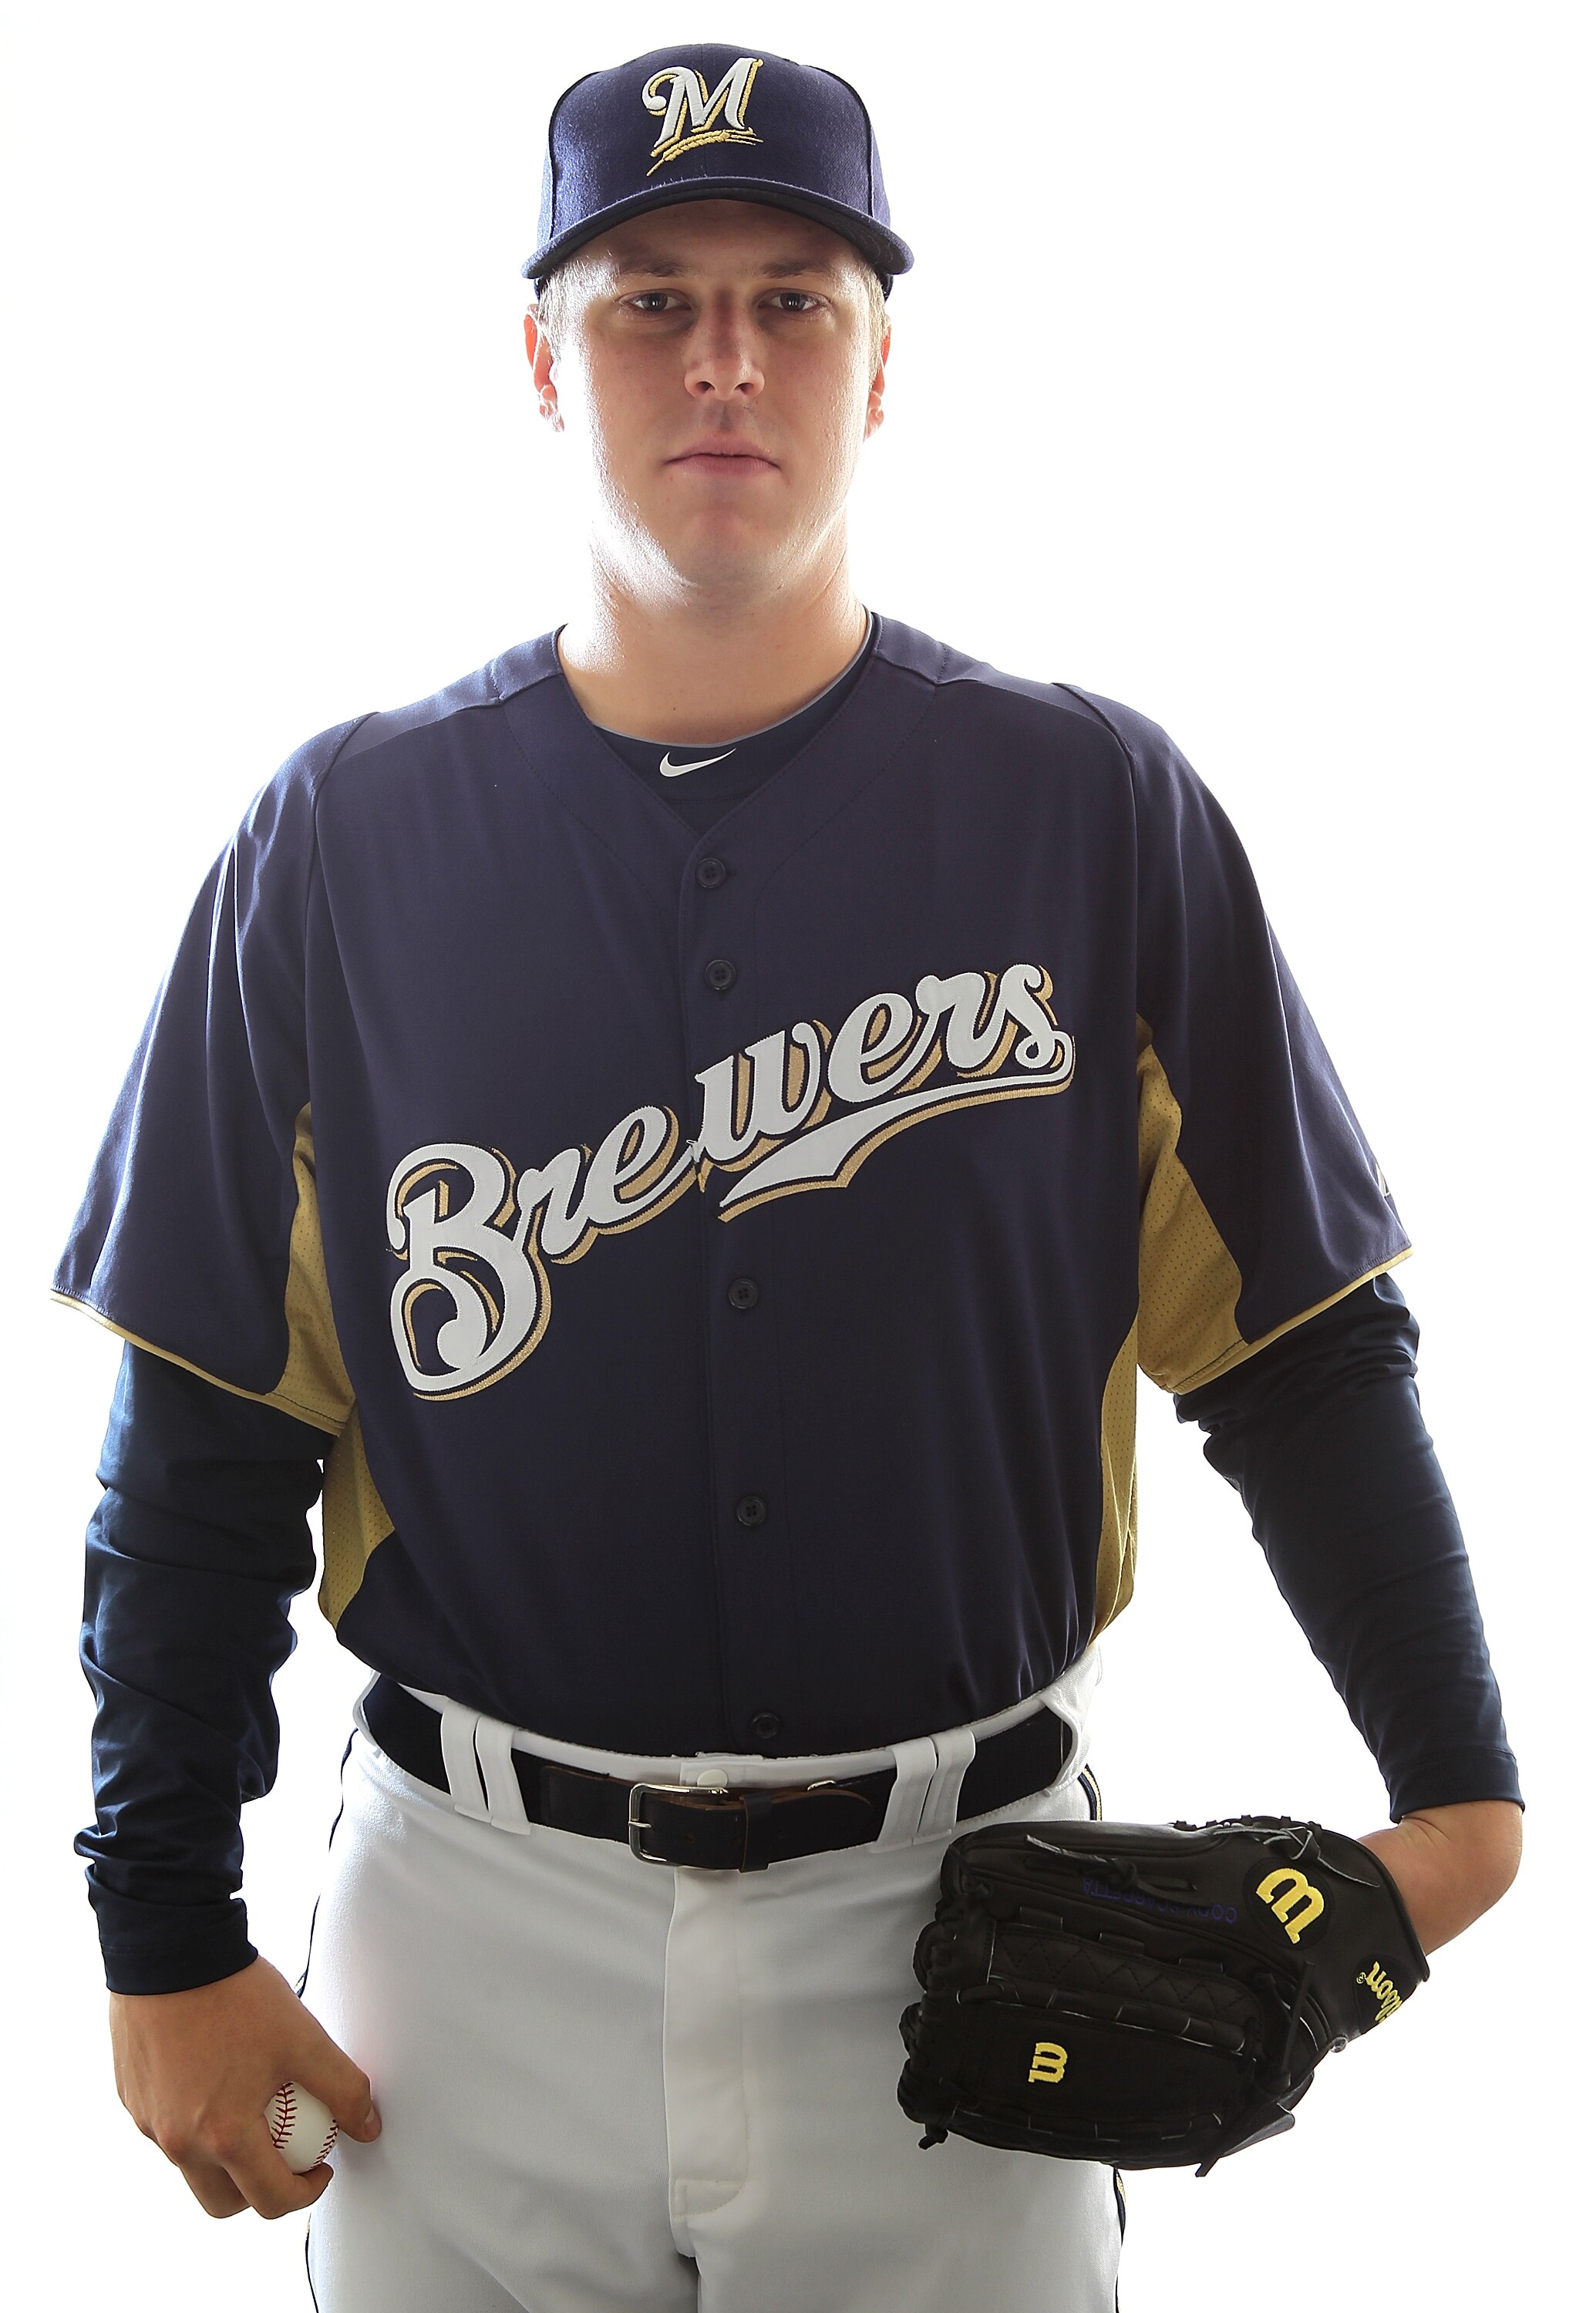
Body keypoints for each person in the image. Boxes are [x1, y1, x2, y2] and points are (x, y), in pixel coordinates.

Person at [55, 41, 1523, 2313]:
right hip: (467, 1936)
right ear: (541, 358)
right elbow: (213, 1430)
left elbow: (1304, 1350)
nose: (724, 354)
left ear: (880, 363)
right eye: (651, 296)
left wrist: (1462, 1808)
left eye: (793, 296)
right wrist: (160, 1930)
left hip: (961, 1927)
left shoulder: (1092, 811)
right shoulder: (339, 842)